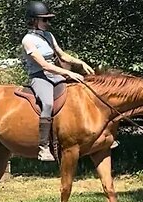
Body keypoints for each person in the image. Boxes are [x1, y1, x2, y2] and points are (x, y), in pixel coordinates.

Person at [21, 1, 95, 161]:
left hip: (55, 74)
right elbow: (44, 65)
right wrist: (68, 73)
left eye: (48, 20)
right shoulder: (28, 40)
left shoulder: (48, 36)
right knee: (47, 103)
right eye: (44, 20)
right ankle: (44, 147)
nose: (48, 23)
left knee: (80, 92)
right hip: (40, 77)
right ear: (34, 20)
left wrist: (80, 63)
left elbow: (62, 55)